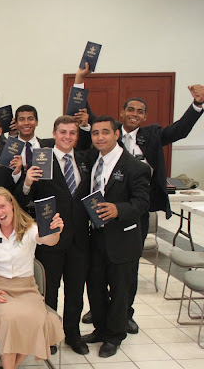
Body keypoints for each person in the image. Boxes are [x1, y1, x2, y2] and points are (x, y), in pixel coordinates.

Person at [75, 65, 204, 333]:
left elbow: (180, 130)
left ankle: (125, 312)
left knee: (127, 267)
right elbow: (86, 114)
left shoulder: (153, 134)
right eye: (130, 110)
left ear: (144, 116)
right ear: (121, 113)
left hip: (135, 210)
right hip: (100, 214)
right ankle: (100, 311)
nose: (134, 114)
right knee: (98, 268)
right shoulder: (106, 133)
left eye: (140, 111)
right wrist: (79, 81)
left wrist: (197, 105)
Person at [0, 187, 65, 369]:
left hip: (27, 288)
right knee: (9, 320)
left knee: (38, 321)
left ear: (12, 204)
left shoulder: (31, 228)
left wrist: (55, 230)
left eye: (2, 206)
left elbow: (50, 241)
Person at [16, 116, 92, 355]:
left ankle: (73, 334)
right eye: (63, 132)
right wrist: (27, 182)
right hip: (51, 237)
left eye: (72, 133)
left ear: (77, 136)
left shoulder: (84, 160)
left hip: (80, 239)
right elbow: (23, 199)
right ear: (54, 133)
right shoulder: (40, 161)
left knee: (75, 290)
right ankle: (49, 334)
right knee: (49, 289)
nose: (67, 137)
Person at [80, 116, 150, 358]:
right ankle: (100, 329)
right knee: (95, 287)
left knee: (120, 290)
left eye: (105, 132)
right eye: (95, 133)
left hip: (122, 239)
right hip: (95, 237)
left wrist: (118, 210)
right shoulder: (91, 160)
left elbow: (142, 203)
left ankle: (114, 336)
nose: (100, 137)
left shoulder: (135, 167)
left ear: (116, 134)